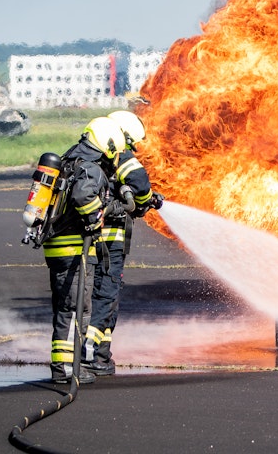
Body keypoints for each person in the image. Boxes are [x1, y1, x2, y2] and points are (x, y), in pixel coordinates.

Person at [43, 116, 126, 385]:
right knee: (75, 307)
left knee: (68, 306)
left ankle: (67, 365)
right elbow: (82, 196)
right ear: (108, 146)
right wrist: (95, 217)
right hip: (73, 247)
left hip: (60, 247)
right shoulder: (91, 168)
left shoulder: (73, 160)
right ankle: (65, 368)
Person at [82, 110, 163, 377]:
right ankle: (91, 352)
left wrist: (146, 201)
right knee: (106, 295)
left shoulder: (94, 155)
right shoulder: (122, 155)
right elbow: (140, 185)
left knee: (101, 296)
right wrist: (145, 201)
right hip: (109, 240)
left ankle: (102, 356)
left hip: (89, 239)